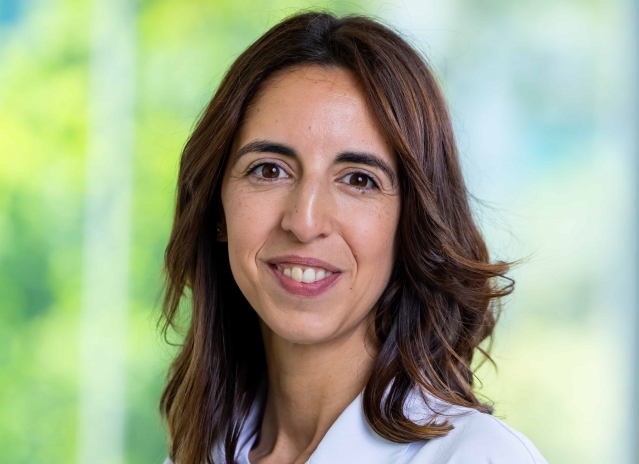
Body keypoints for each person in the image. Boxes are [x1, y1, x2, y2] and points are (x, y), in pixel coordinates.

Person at [159, 11, 547, 464]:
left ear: (411, 224)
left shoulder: (480, 457)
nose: (304, 222)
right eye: (269, 170)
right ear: (216, 208)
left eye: (359, 179)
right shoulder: (195, 451)